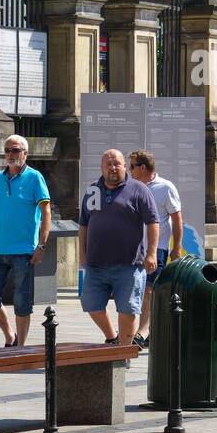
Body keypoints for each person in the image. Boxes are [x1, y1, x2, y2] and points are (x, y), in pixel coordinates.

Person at [0, 134, 51, 348]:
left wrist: (41, 246)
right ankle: (10, 336)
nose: (10, 154)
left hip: (24, 250)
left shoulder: (35, 178)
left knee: (22, 302)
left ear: (25, 154)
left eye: (15, 150)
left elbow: (46, 214)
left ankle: (21, 348)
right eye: (7, 150)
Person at [79, 149, 160, 347]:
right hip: (96, 264)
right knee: (91, 304)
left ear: (125, 166)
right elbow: (84, 225)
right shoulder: (92, 191)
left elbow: (153, 222)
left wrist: (151, 253)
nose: (113, 168)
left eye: (117, 164)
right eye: (108, 164)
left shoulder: (139, 189)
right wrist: (82, 255)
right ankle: (112, 337)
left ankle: (124, 352)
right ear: (102, 168)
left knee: (128, 310)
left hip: (129, 265)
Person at [128, 149, 183, 351]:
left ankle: (142, 332)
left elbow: (177, 219)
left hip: (156, 248)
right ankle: (147, 331)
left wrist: (176, 247)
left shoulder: (165, 187)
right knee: (136, 290)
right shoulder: (130, 187)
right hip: (133, 248)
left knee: (149, 290)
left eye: (132, 166)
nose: (129, 170)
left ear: (143, 167)